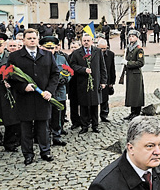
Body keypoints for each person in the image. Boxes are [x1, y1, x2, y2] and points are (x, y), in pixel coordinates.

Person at [7, 28, 60, 165]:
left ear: (38, 39)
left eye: (34, 38)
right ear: (23, 40)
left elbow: (55, 74)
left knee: (43, 127)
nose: (32, 40)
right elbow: (9, 77)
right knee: (26, 128)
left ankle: (45, 151)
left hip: (43, 97)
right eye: (29, 38)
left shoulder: (47, 55)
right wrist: (22, 87)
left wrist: (50, 91)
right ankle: (28, 154)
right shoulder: (15, 56)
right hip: (25, 98)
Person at [69, 32, 108, 134]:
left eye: (88, 41)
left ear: (92, 41)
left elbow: (102, 67)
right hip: (82, 83)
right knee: (84, 105)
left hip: (95, 82)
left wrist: (103, 81)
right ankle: (84, 126)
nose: (86, 43)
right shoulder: (77, 53)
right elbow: (72, 65)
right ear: (82, 42)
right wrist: (83, 70)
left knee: (95, 105)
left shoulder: (98, 51)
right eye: (84, 41)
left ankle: (95, 125)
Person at [44, 36, 68, 147]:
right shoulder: (41, 58)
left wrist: (65, 79)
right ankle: (45, 138)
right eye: (47, 48)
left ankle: (57, 136)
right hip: (46, 92)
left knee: (57, 116)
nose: (50, 50)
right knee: (46, 117)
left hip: (59, 92)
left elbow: (69, 71)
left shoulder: (61, 58)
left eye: (52, 48)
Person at [120, 30, 145, 120]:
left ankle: (137, 112)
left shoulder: (138, 49)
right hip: (130, 74)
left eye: (133, 36)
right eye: (130, 36)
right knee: (131, 93)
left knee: (136, 94)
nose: (131, 37)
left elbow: (140, 63)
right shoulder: (128, 48)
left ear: (137, 38)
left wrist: (128, 63)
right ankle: (132, 112)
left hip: (136, 74)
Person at [97, 36, 116, 122]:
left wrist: (112, 81)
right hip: (97, 79)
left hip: (106, 79)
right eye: (101, 49)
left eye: (104, 49)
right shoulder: (94, 54)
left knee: (105, 98)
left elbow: (112, 68)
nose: (103, 51)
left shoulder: (110, 54)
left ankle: (104, 114)